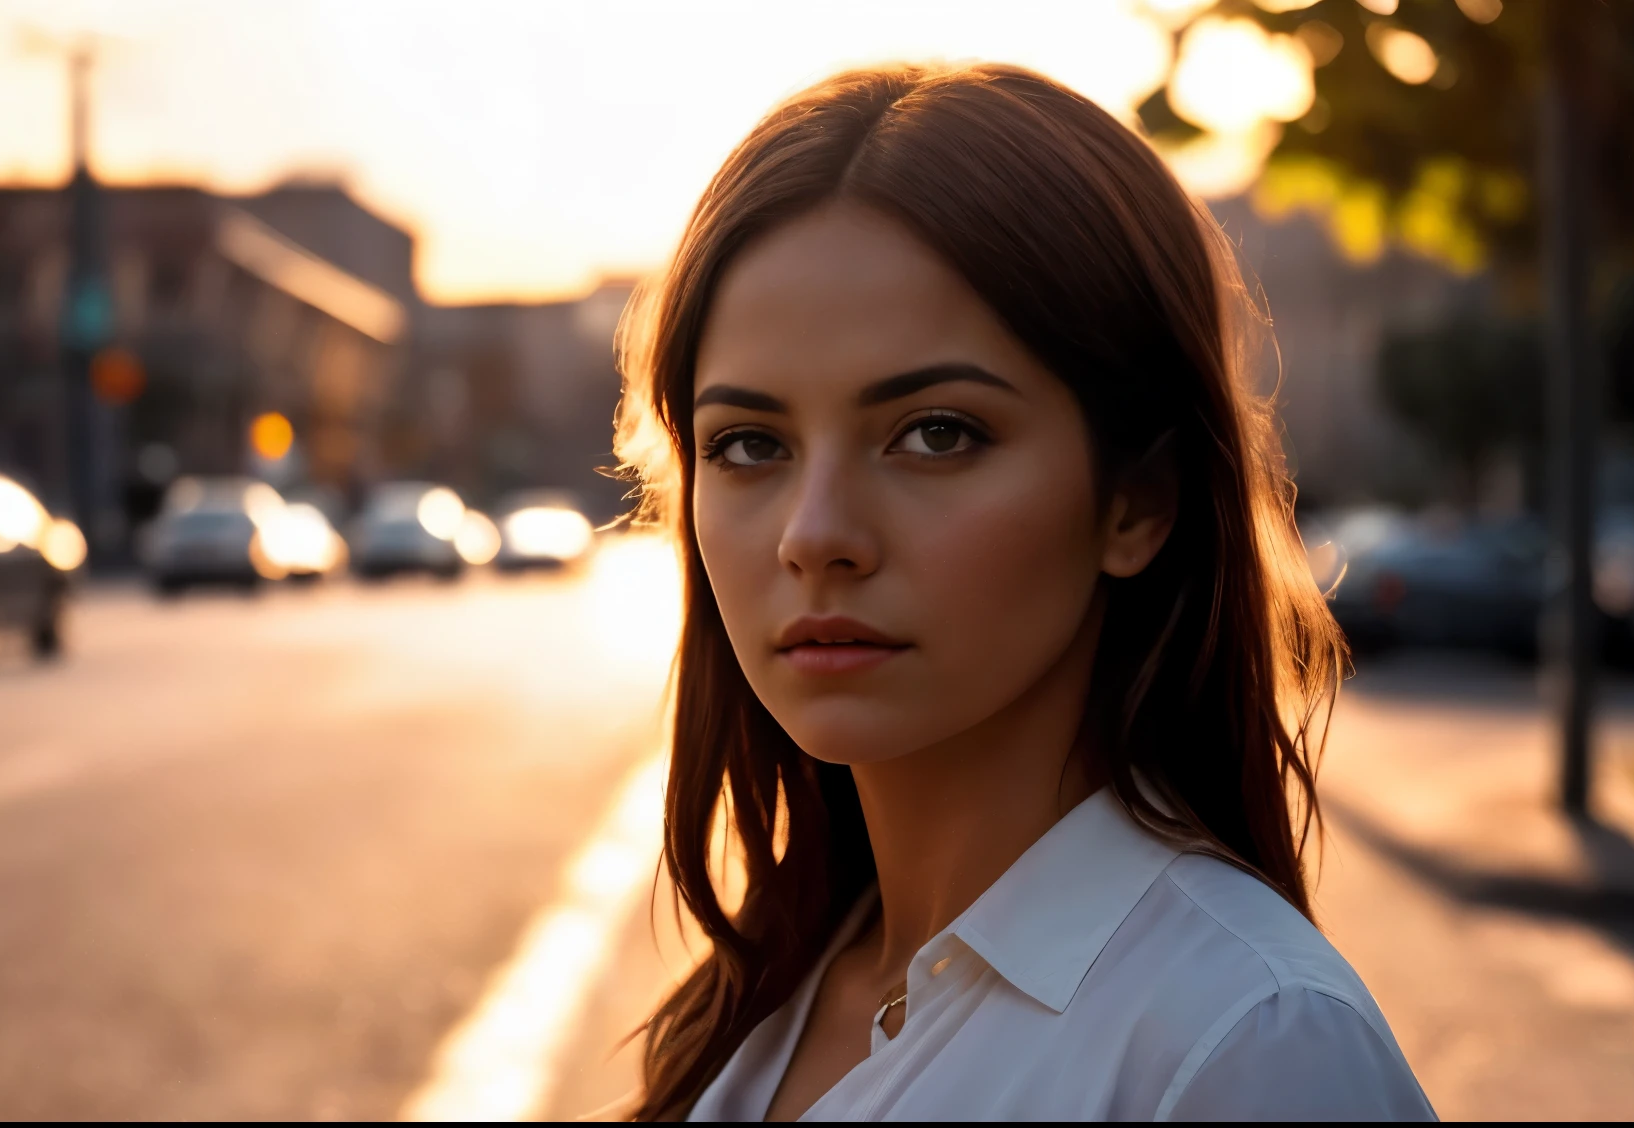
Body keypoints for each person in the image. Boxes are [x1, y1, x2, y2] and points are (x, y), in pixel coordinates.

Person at [612, 63, 1433, 1122]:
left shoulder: (1246, 1046)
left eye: (936, 433)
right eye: (748, 444)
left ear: (1137, 500)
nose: (814, 536)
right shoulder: (776, 987)